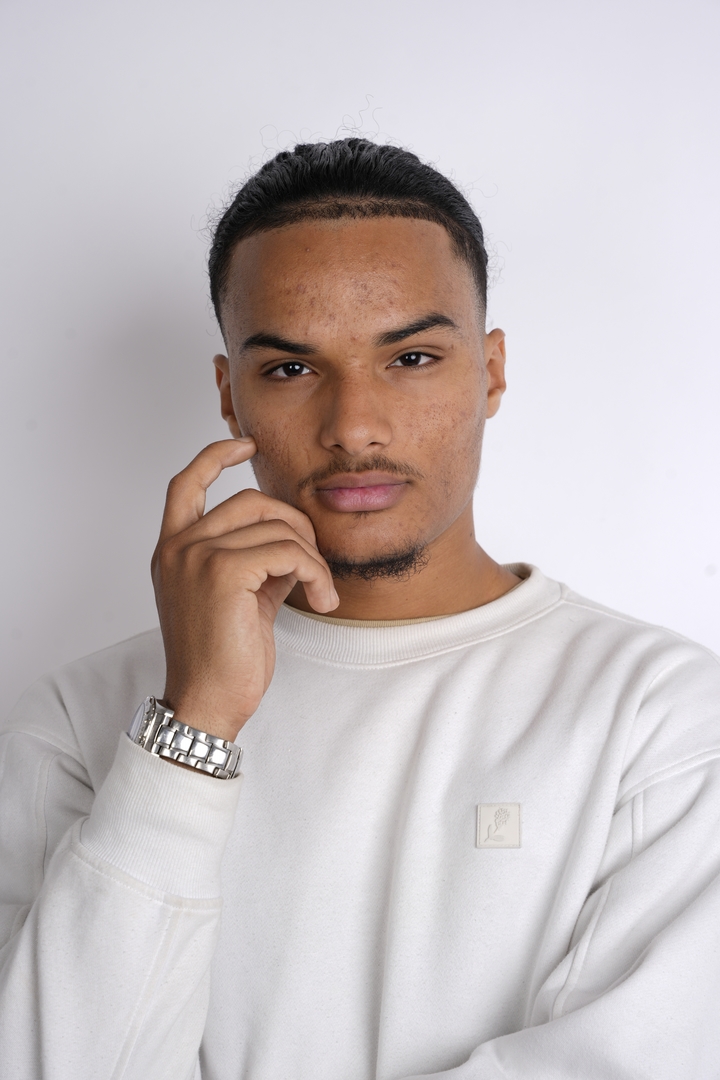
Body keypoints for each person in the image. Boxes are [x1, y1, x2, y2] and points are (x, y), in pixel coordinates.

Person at [1, 138, 719, 1080]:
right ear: (229, 396)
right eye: (291, 370)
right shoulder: (76, 720)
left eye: (411, 357)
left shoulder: (665, 719)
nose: (353, 428)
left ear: (491, 373)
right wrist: (193, 726)